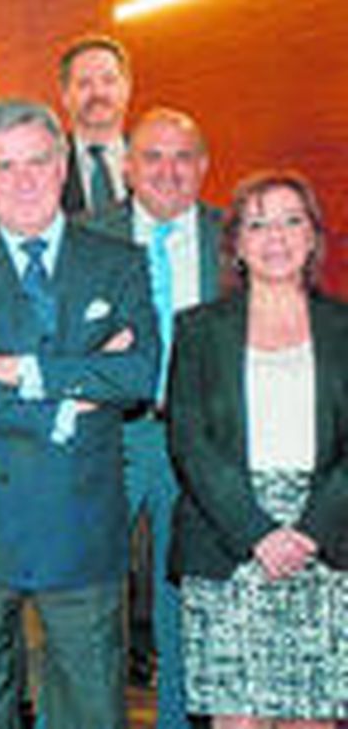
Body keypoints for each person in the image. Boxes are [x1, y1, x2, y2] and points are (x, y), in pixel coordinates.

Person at [0, 98, 159, 728]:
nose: (23, 180)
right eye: (3, 166)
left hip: (82, 522)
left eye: (36, 161)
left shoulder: (118, 262)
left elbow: (139, 376)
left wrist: (29, 373)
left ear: (62, 166)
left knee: (89, 702)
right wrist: (70, 399)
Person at [169, 171, 348, 729]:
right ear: (237, 245)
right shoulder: (198, 330)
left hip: (328, 539)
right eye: (258, 222)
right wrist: (257, 533)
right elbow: (189, 440)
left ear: (314, 237)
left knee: (311, 720)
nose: (276, 236)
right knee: (239, 720)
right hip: (229, 544)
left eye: (292, 220)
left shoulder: (345, 327)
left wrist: (311, 528)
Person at [82, 107, 224, 729]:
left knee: (183, 600)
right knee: (90, 596)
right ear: (128, 166)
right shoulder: (86, 235)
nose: (168, 171)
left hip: (201, 444)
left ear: (203, 167)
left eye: (183, 156)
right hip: (111, 435)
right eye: (153, 157)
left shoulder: (235, 236)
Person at [58, 35, 132, 215]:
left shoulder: (156, 161)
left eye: (109, 81)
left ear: (127, 88)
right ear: (65, 96)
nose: (98, 93)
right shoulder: (47, 168)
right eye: (84, 84)